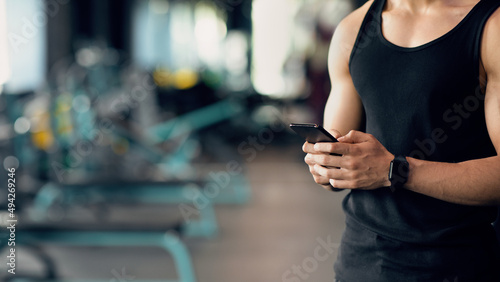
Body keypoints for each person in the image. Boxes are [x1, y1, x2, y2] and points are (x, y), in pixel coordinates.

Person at [302, 0, 500, 281]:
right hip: (361, 264)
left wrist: (395, 170)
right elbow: (336, 167)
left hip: (456, 265)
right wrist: (327, 165)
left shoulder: (491, 27)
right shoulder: (353, 30)